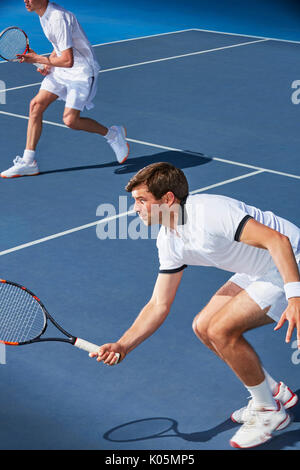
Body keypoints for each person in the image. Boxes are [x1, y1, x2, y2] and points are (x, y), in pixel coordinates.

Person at [89, 162, 300, 449]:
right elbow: (158, 304)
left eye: (142, 201)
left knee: (222, 330)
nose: (135, 209)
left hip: (290, 259)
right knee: (203, 326)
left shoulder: (210, 214)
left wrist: (294, 296)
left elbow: (279, 241)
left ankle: (268, 412)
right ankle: (273, 392)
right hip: (257, 268)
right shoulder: (169, 240)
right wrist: (124, 344)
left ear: (167, 199)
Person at [1, 0, 129, 178]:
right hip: (63, 70)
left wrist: (40, 59)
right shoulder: (43, 15)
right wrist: (49, 64)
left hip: (81, 72)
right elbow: (58, 49)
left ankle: (113, 135)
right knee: (35, 105)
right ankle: (29, 161)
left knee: (70, 121)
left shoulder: (57, 18)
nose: (25, 0)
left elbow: (69, 60)